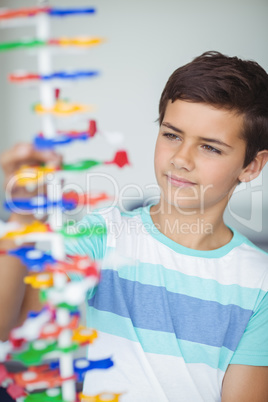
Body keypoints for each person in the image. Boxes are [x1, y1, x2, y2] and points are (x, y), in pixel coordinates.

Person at [0, 51, 268, 401]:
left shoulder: (260, 282)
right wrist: (23, 216)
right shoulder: (104, 235)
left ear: (251, 166)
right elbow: (9, 322)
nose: (180, 159)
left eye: (210, 148)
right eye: (172, 135)